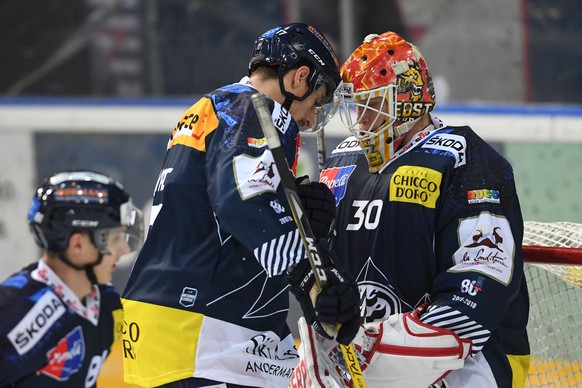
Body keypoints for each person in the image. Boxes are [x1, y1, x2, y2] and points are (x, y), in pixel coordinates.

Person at [121, 23, 360, 388]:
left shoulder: (216, 108)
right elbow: (245, 200)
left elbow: (223, 205)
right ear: (299, 78)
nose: (311, 118)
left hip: (180, 326)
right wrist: (316, 278)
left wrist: (294, 207)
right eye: (316, 102)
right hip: (205, 338)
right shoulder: (252, 108)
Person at [295, 31, 531, 387]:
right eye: (355, 104)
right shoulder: (343, 159)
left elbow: (480, 283)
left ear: (405, 101)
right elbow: (322, 271)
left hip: (461, 367)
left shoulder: (466, 158)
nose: (360, 119)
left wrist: (378, 351)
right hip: (361, 360)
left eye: (370, 104)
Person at [0, 170, 144, 387]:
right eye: (115, 238)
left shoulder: (105, 302)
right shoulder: (16, 311)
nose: (124, 249)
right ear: (77, 245)